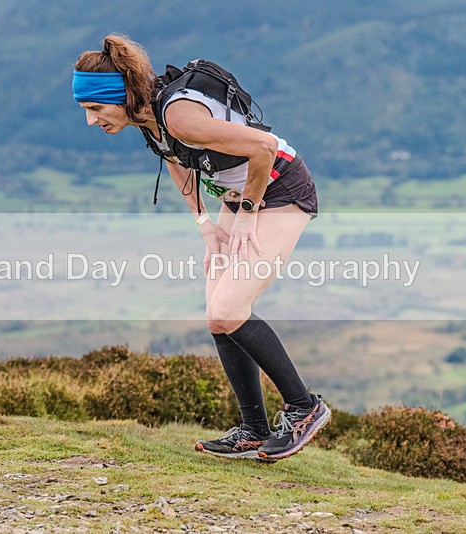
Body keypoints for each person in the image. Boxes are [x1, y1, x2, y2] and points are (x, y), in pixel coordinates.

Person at [72, 34, 331, 461]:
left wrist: (247, 212)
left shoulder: (177, 117)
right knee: (218, 318)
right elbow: (176, 162)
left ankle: (304, 408)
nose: (91, 121)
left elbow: (264, 147)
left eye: (96, 109)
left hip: (281, 187)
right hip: (240, 195)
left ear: (119, 96)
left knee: (229, 309)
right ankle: (252, 429)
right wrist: (204, 223)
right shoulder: (148, 118)